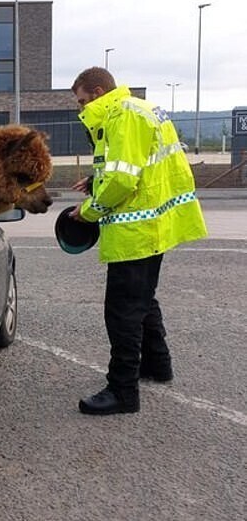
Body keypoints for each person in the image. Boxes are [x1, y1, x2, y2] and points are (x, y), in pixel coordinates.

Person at [69, 67, 207, 415]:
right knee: (142, 298)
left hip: (135, 229)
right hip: (155, 223)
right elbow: (133, 165)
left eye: (83, 101)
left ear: (99, 92)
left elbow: (121, 182)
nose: (81, 109)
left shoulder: (121, 116)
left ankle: (123, 391)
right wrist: (93, 178)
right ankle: (157, 365)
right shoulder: (141, 109)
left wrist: (88, 212)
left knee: (123, 311)